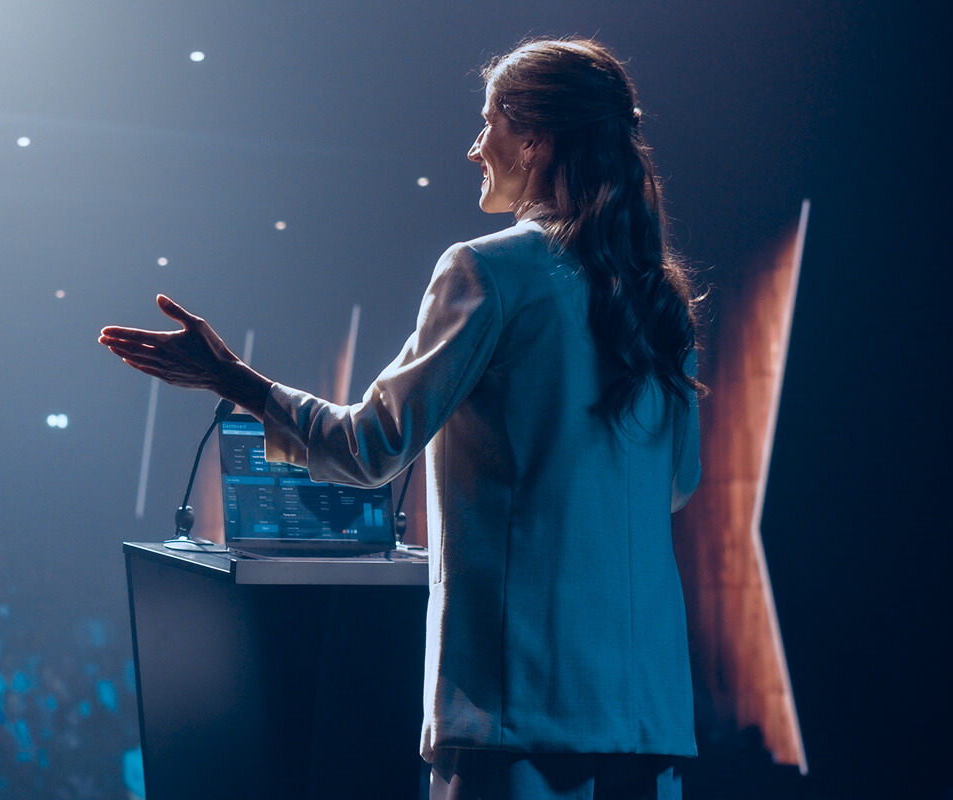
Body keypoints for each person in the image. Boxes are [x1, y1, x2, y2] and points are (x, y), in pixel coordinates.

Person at [99, 37, 702, 800]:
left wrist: (232, 379)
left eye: (489, 123)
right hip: (648, 720)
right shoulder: (656, 296)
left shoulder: (490, 271)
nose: (475, 146)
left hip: (517, 715)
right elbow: (677, 483)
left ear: (536, 138)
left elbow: (371, 447)